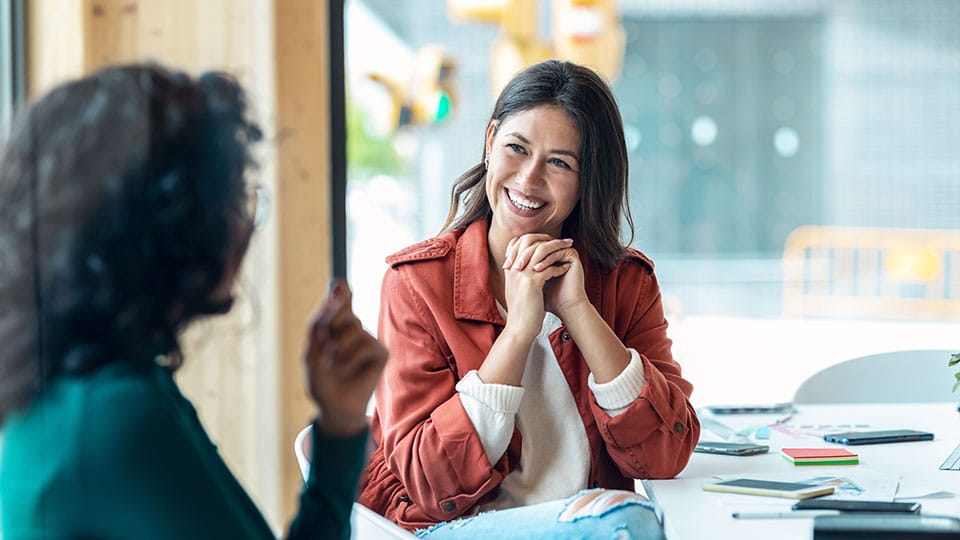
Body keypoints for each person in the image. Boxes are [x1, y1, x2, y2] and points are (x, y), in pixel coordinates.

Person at [0, 64, 386, 540]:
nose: (246, 227)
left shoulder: (89, 390)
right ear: (174, 227)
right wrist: (339, 434)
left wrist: (341, 421)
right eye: (236, 198)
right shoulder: (116, 419)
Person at [357, 59, 700, 538]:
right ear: (490, 139)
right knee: (627, 523)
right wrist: (518, 331)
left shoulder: (626, 283)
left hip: (589, 526)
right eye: (516, 148)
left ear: (589, 180)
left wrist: (578, 311)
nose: (529, 178)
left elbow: (666, 454)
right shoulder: (417, 283)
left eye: (560, 162)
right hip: (457, 527)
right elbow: (430, 482)